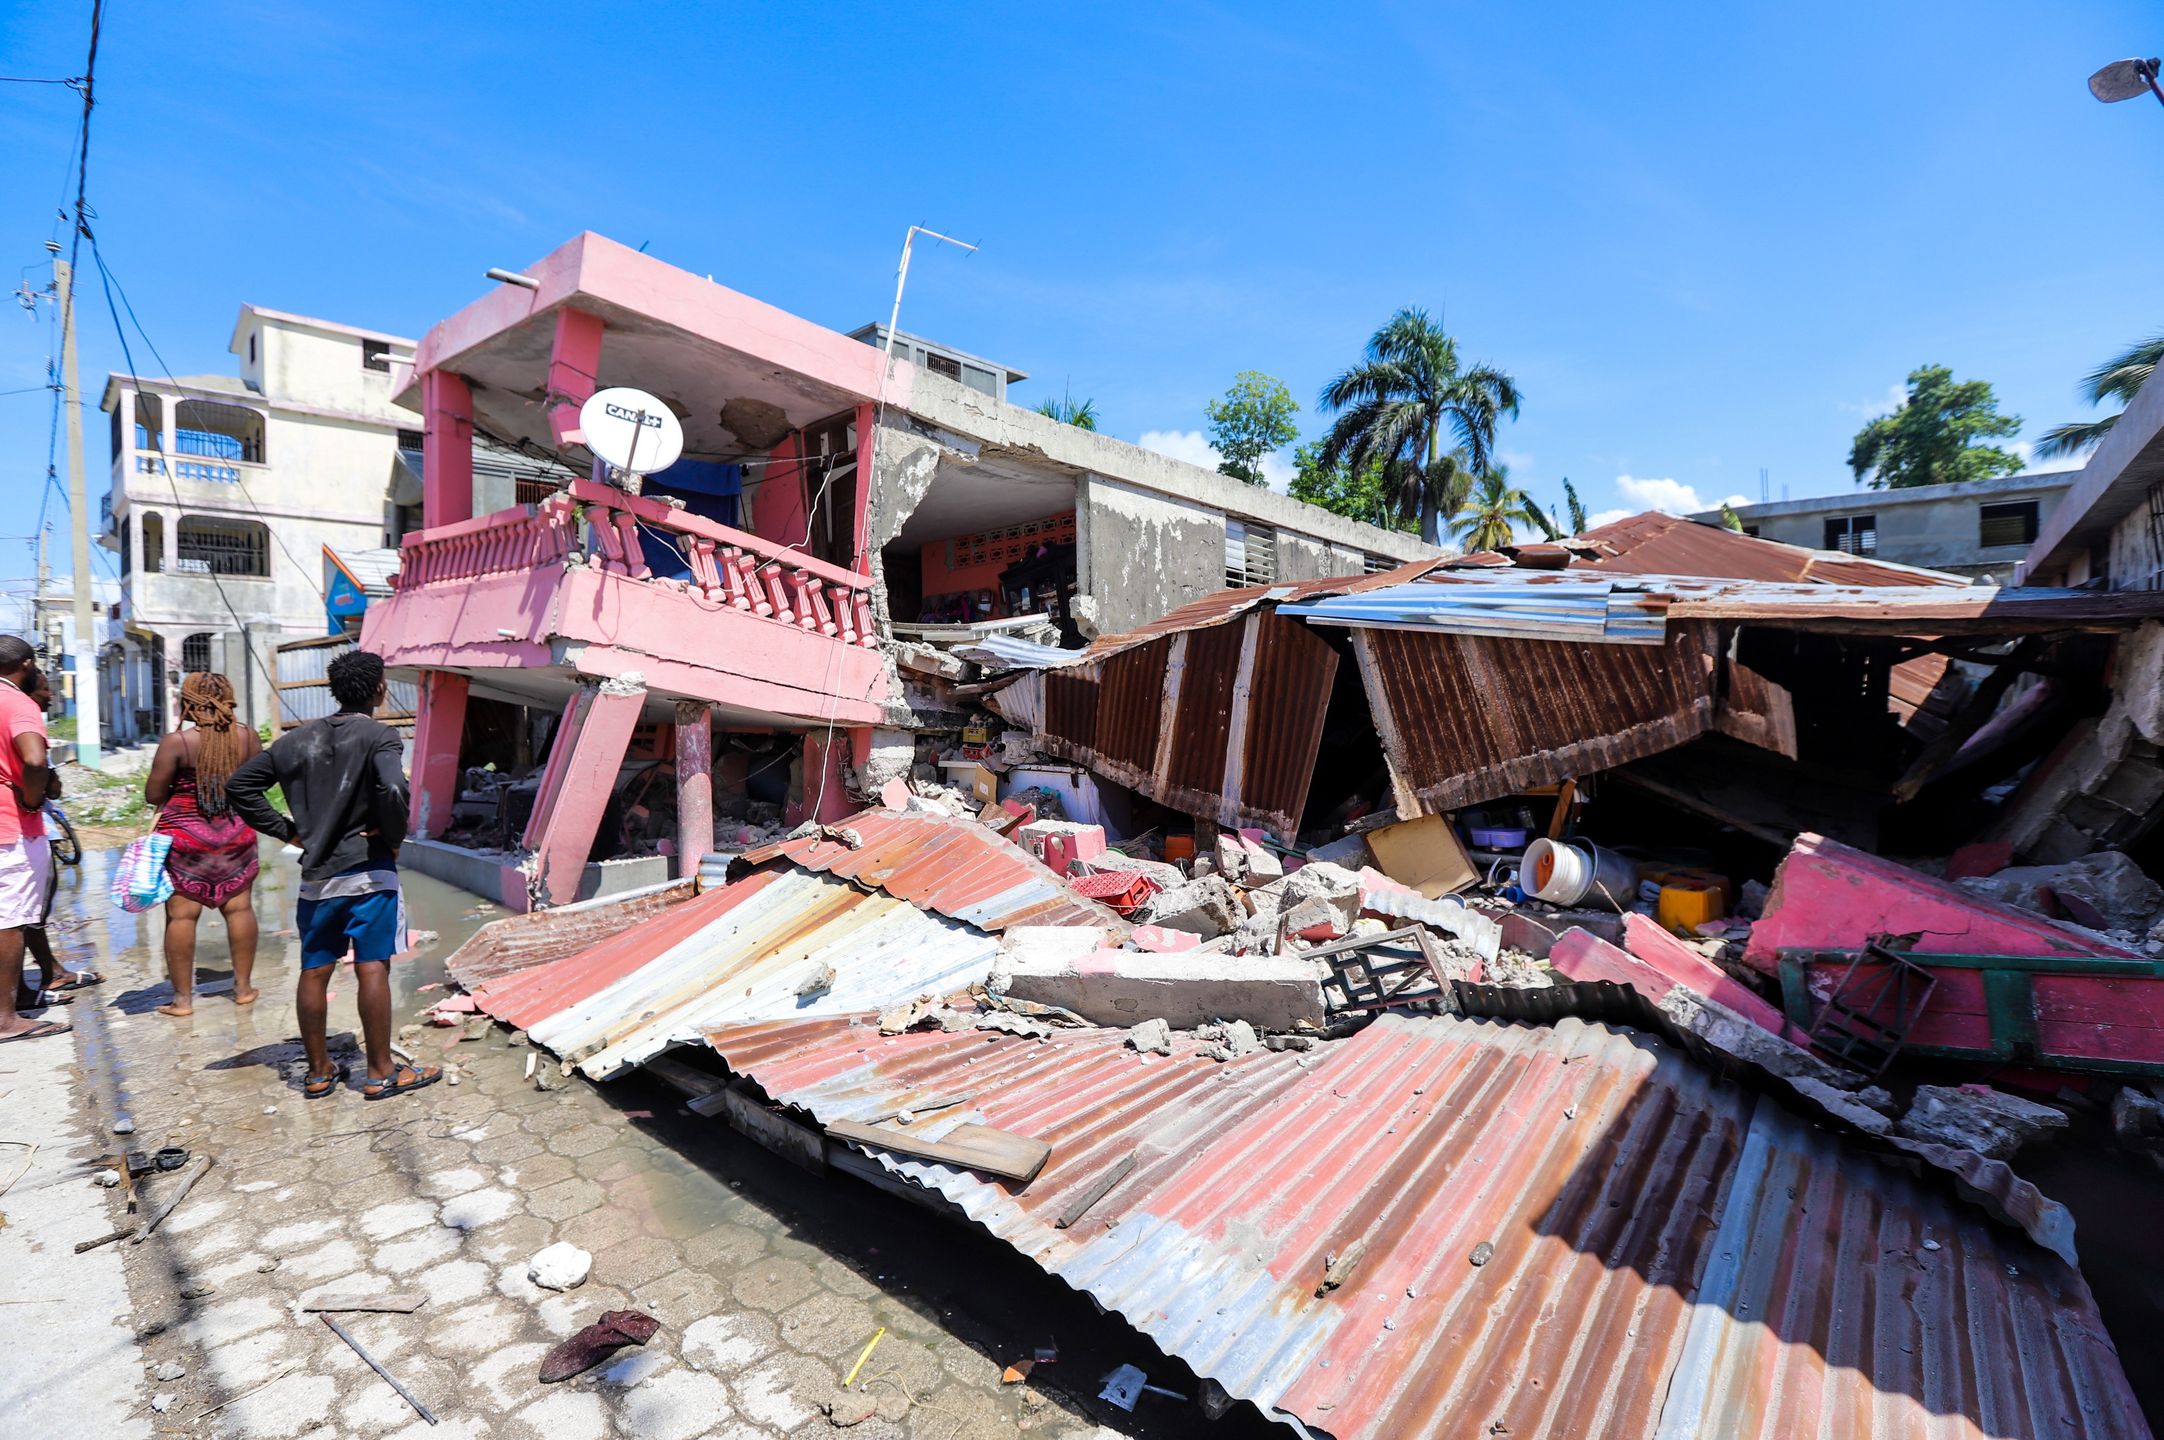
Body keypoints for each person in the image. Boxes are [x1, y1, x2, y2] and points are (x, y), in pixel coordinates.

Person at [227, 649, 438, 1101]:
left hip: (317, 877)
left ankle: (319, 1071)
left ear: (334, 691)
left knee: (315, 969)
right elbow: (394, 786)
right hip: (368, 873)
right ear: (380, 689)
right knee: (372, 966)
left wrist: (291, 832)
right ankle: (381, 1072)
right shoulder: (381, 736)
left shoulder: (296, 741)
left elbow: (240, 786)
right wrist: (394, 833)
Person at [144, 672, 263, 1017]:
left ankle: (182, 1001)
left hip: (184, 838)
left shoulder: (176, 742)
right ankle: (242, 989)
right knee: (240, 909)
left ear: (189, 703)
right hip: (235, 832)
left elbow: (153, 794)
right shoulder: (248, 737)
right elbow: (257, 786)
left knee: (181, 916)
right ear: (228, 698)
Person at [14, 667, 99, 1009]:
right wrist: (36, 800)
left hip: (24, 827)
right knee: (27, 912)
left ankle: (48, 971)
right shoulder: (23, 719)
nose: (50, 695)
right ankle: (28, 986)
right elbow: (46, 778)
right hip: (29, 826)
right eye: (46, 689)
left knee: (29, 912)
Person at [0, 639, 64, 1044]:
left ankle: (20, 994)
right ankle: (6, 1019)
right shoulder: (18, 703)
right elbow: (35, 761)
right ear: (26, 665)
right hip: (12, 825)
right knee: (11, 920)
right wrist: (31, 796)